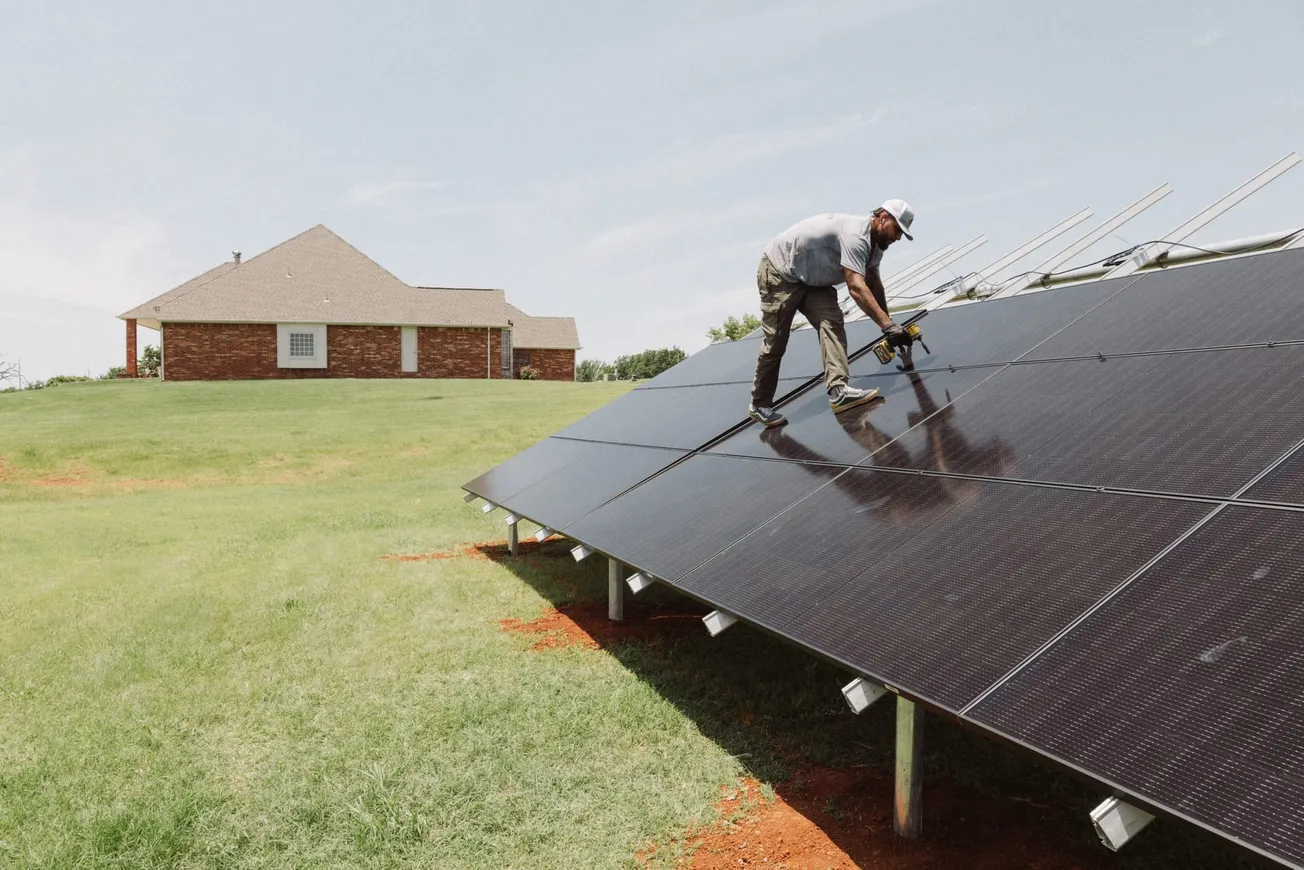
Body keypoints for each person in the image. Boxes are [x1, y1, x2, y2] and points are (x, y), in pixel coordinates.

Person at [748, 199, 915, 428]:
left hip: (814, 280)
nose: (897, 238)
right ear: (883, 217)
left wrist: (890, 326)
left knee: (832, 322)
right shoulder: (856, 236)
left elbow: (873, 282)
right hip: (781, 272)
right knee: (776, 342)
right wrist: (888, 327)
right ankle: (759, 404)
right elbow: (856, 287)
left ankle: (839, 391)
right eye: (897, 230)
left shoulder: (875, 247)